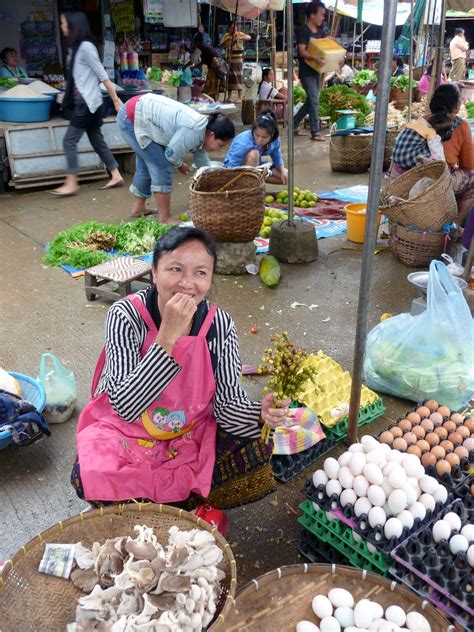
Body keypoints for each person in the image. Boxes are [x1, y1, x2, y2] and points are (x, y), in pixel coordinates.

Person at [72, 226, 289, 508]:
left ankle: (174, 503)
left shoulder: (219, 325)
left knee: (259, 448)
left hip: (189, 430)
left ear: (210, 278)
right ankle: (168, 501)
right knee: (86, 475)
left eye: (200, 273)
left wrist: (259, 413)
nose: (187, 283)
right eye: (175, 269)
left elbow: (227, 405)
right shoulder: (125, 316)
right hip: (128, 431)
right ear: (154, 272)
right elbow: (125, 407)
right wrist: (166, 338)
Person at [117, 93, 235, 222]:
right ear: (212, 135)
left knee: (148, 162)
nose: (218, 149)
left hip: (142, 112)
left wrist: (214, 182)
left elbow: (202, 160)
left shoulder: (203, 130)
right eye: (220, 145)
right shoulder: (194, 130)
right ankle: (165, 218)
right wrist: (180, 165)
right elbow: (170, 154)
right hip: (131, 117)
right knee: (161, 165)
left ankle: (138, 208)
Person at [52, 10, 123, 197]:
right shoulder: (75, 48)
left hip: (88, 103)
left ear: (74, 25)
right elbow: (80, 77)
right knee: (96, 139)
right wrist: (65, 95)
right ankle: (115, 174)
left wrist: (116, 100)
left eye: (64, 23)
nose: (62, 26)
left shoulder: (85, 47)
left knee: (69, 141)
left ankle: (72, 182)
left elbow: (103, 76)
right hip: (87, 102)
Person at [391, 84, 473, 225]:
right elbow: (468, 165)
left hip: (400, 182)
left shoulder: (419, 122)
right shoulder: (461, 125)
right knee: (471, 179)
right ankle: (455, 226)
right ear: (458, 106)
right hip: (430, 184)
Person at [224, 109, 288, 185]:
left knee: (286, 177)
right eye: (257, 135)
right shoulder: (242, 142)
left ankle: (256, 178)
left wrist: (282, 171)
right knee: (254, 154)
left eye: (264, 137)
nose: (260, 140)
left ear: (272, 134)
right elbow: (231, 168)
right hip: (239, 169)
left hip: (257, 167)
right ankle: (248, 185)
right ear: (253, 130)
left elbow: (277, 158)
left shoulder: (275, 140)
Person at [293, 1, 327, 141]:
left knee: (311, 101)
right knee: (313, 99)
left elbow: (325, 49)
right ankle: (315, 132)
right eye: (321, 15)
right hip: (306, 72)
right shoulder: (303, 31)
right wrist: (315, 58)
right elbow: (302, 52)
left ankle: (294, 123)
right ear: (312, 15)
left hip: (317, 71)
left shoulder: (320, 32)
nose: (323, 18)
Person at [220, 21, 251, 102]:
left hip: (238, 59)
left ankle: (240, 97)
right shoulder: (226, 35)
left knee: (238, 77)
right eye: (232, 28)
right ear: (229, 28)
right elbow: (221, 44)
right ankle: (229, 97)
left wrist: (239, 38)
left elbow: (249, 37)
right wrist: (229, 39)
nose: (234, 29)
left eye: (235, 27)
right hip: (230, 59)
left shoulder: (239, 34)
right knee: (229, 78)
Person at [193, 33, 227, 101]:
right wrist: (196, 66)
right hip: (217, 65)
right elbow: (204, 61)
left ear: (197, 41)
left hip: (216, 65)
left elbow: (192, 60)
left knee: (212, 84)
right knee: (214, 84)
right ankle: (214, 99)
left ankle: (213, 100)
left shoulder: (201, 47)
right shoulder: (205, 46)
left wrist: (187, 66)